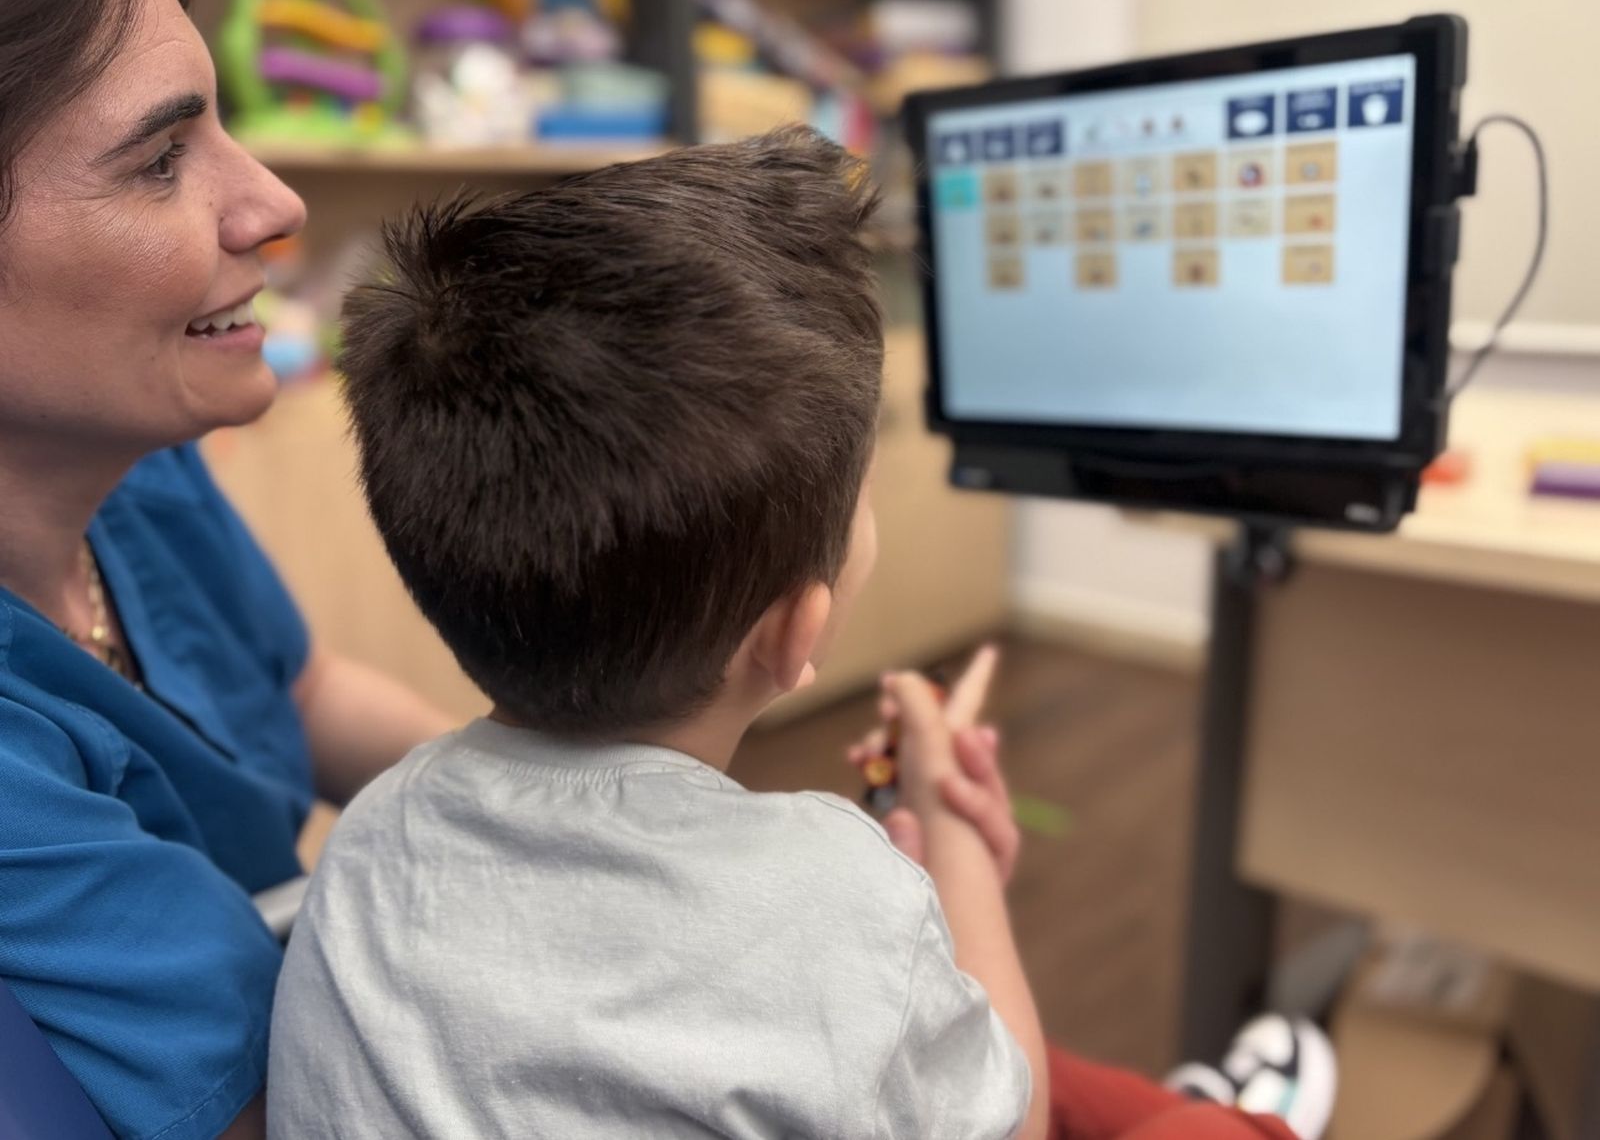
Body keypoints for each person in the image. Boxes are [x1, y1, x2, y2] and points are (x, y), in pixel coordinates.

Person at [267, 131, 1331, 1140]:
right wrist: (952, 844)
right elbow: (1018, 1118)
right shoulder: (840, 892)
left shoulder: (368, 834)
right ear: (794, 630)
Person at [0, 0, 455, 1136]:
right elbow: (294, 1112)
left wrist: (602, 798)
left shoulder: (137, 460)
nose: (274, 204)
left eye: (225, 129)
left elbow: (299, 689)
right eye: (161, 159)